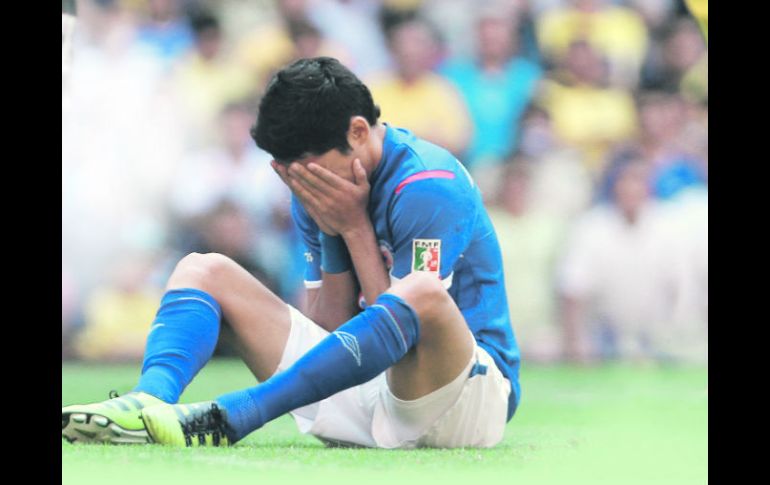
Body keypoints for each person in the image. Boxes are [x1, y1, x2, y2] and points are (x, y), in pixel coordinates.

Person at [62, 57, 520, 449]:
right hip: (364, 390)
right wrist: (336, 235)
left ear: (358, 131)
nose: (298, 182)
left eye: (307, 167)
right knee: (202, 268)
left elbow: (408, 343)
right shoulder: (315, 183)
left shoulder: (427, 185)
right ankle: (147, 403)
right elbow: (331, 334)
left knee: (420, 291)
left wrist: (355, 227)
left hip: (459, 403)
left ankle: (234, 416)